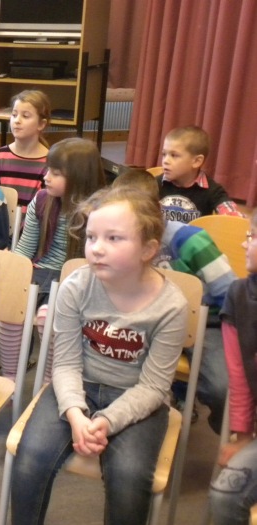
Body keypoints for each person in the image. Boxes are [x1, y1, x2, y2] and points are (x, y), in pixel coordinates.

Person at [10, 186, 188, 525]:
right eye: (91, 237)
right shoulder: (77, 286)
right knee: (31, 457)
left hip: (137, 397)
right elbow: (65, 364)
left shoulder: (171, 306)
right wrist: (76, 414)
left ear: (148, 249)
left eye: (114, 238)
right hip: (78, 385)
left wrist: (107, 421)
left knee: (130, 476)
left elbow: (153, 387)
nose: (97, 248)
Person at [115, 169, 236, 434]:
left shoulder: (190, 239)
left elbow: (229, 293)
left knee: (222, 389)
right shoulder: (123, 241)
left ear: (157, 209)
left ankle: (220, 424)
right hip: (149, 320)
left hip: (205, 322)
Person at [0, 138, 106, 381]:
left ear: (79, 177)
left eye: (56, 173)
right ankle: (10, 379)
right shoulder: (42, 200)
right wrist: (12, 275)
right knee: (10, 309)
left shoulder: (99, 212)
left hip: (77, 279)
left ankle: (50, 381)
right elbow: (25, 249)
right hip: (40, 272)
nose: (46, 177)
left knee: (47, 318)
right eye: (48, 169)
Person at [209, 211, 257, 525]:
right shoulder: (239, 296)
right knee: (225, 494)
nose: (243, 243)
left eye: (252, 237)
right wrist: (242, 435)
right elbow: (239, 379)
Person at [157, 125, 243, 223]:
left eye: (174, 155)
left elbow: (234, 218)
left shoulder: (213, 191)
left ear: (197, 161)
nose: (165, 161)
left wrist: (236, 220)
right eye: (164, 154)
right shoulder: (154, 184)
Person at [0, 90, 50, 212]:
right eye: (14, 115)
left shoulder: (50, 163)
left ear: (41, 124)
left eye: (25, 116)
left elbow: (46, 210)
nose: (17, 121)